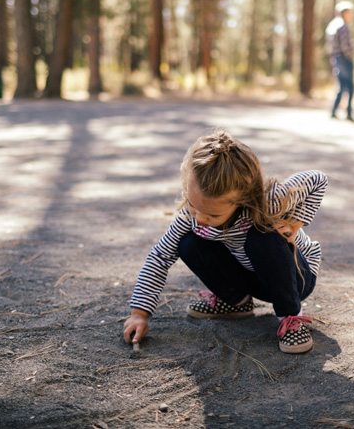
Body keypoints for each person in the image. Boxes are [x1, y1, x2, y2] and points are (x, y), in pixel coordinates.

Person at [123, 129, 328, 354]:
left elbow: (317, 179)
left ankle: (291, 317)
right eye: (193, 206)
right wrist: (138, 314)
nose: (200, 218)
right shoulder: (190, 219)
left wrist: (296, 222)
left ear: (243, 200)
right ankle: (236, 302)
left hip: (294, 279)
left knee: (261, 236)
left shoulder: (267, 200)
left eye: (212, 215)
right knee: (188, 243)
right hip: (252, 277)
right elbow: (159, 257)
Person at [326, 1, 354, 121]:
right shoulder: (342, 25)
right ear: (345, 13)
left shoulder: (332, 24)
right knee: (350, 87)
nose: (352, 15)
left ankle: (334, 111)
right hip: (344, 58)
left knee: (341, 86)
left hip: (336, 58)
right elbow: (345, 45)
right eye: (351, 12)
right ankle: (348, 112)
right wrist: (350, 55)